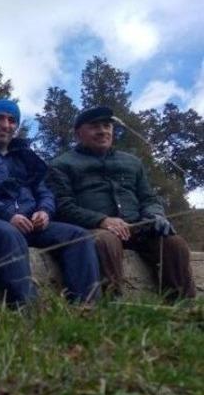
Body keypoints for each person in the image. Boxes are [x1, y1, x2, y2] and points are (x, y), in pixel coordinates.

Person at [0, 98, 100, 306]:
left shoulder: (24, 156)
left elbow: (43, 189)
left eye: (12, 120)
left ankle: (87, 306)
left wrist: (45, 211)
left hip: (30, 222)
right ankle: (25, 309)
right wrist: (6, 214)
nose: (6, 125)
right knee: (8, 234)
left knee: (78, 236)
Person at [48, 106, 195, 300]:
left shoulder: (132, 162)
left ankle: (184, 307)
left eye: (107, 126)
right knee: (104, 241)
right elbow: (63, 206)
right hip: (94, 228)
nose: (103, 131)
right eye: (94, 126)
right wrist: (101, 220)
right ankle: (113, 305)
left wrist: (155, 214)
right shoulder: (61, 164)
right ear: (78, 134)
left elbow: (149, 197)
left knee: (174, 243)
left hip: (139, 226)